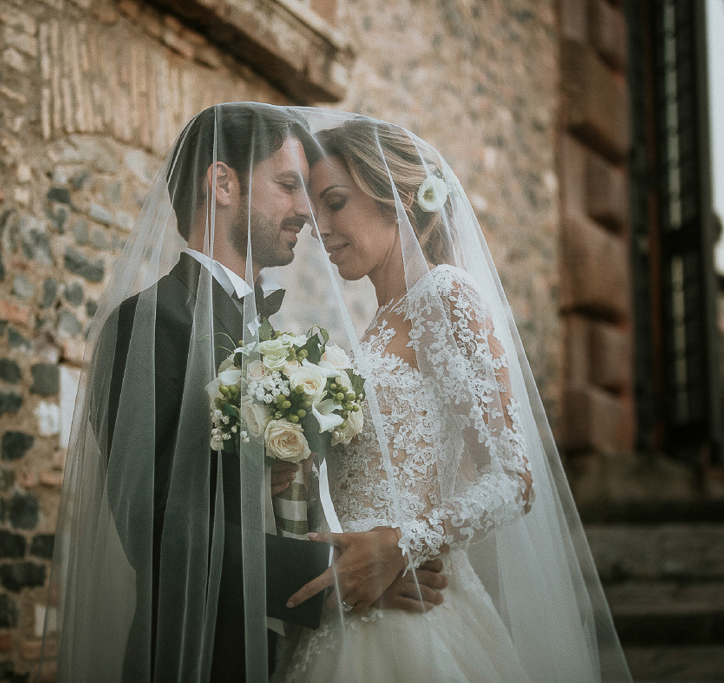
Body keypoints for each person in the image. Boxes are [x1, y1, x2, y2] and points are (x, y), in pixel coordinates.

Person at [45, 103, 448, 682]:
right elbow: (156, 533)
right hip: (200, 655)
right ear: (223, 183)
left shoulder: (274, 340)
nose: (307, 211)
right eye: (288, 186)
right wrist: (338, 575)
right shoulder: (151, 324)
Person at [270, 113, 633, 682]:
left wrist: (402, 544)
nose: (319, 225)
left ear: (400, 197)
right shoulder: (379, 323)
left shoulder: (447, 297)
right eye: (315, 208)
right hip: (358, 599)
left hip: (419, 612)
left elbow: (514, 478)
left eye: (335, 202)